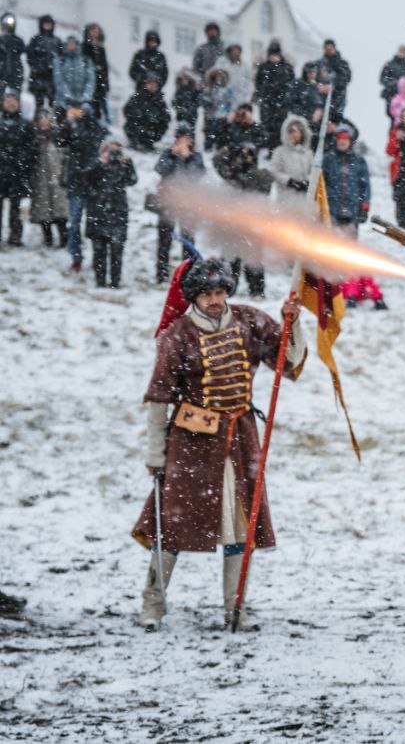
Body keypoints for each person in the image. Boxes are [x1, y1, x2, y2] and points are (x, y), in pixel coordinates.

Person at [133, 258, 306, 630]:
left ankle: (235, 608)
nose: (214, 300)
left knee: (239, 527)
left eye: (220, 292)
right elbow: (160, 398)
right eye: (207, 294)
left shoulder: (249, 321)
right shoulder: (177, 335)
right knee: (172, 524)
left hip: (240, 439)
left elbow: (288, 359)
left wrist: (293, 320)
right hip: (191, 442)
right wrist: (155, 453)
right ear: (194, 296)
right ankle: (152, 604)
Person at [322, 127, 383, 309]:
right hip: (333, 212)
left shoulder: (358, 161)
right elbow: (322, 184)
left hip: (352, 213)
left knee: (350, 251)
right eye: (339, 139)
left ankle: (350, 287)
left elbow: (365, 186)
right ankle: (333, 287)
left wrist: (364, 207)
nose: (342, 142)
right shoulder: (328, 160)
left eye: (345, 139)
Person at [214, 142, 273, 298]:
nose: (244, 158)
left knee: (253, 259)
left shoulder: (259, 174)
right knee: (230, 259)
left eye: (248, 155)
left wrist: (248, 169)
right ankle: (228, 289)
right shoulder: (231, 173)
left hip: (252, 224)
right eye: (242, 155)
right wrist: (230, 149)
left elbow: (267, 182)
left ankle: (257, 291)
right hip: (231, 223)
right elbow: (217, 161)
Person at [76, 141, 136, 288]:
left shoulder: (124, 165)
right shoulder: (96, 165)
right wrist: (99, 163)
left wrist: (127, 163)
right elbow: (85, 178)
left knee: (117, 251)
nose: (114, 155)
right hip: (98, 212)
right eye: (110, 151)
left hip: (118, 213)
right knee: (99, 250)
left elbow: (133, 180)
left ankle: (115, 282)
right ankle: (100, 282)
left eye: (117, 151)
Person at [153, 126, 205, 283]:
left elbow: (196, 175)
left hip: (188, 203)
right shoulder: (168, 154)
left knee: (188, 240)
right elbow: (161, 169)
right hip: (168, 201)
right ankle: (161, 274)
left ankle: (188, 274)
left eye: (186, 139)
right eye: (180, 139)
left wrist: (186, 157)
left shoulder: (195, 157)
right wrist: (173, 156)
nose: (182, 142)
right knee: (164, 239)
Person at [58, 104, 106, 272]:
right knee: (75, 222)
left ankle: (98, 257)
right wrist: (68, 122)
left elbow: (94, 140)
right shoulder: (72, 127)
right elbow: (60, 140)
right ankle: (76, 257)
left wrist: (85, 121)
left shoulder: (96, 127)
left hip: (93, 181)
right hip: (76, 181)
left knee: (95, 223)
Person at [28, 108, 68, 248]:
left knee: (60, 212)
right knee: (43, 212)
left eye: (47, 118)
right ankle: (48, 239)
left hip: (58, 179)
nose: (44, 121)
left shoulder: (59, 137)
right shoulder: (34, 138)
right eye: (41, 119)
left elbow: (65, 158)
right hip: (40, 180)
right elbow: (29, 159)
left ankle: (64, 239)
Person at [0, 89, 34, 245]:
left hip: (17, 172)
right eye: (8, 101)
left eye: (14, 101)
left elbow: (30, 148)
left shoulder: (25, 124)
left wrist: (22, 162)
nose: (11, 104)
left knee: (15, 208)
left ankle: (15, 237)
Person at [254, 41, 295, 148]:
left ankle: (279, 148)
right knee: (267, 127)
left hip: (282, 104)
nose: (274, 58)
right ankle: (268, 148)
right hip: (267, 103)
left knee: (281, 128)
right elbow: (258, 83)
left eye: (276, 55)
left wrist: (286, 98)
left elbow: (291, 85)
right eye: (272, 55)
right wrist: (262, 95)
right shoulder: (263, 68)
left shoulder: (287, 68)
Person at [267, 115, 313, 194]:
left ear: (302, 133)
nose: (295, 134)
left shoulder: (308, 153)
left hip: (303, 195)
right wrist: (289, 181)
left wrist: (307, 182)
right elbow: (274, 171)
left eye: (298, 131)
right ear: (287, 133)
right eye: (292, 131)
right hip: (285, 195)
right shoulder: (280, 151)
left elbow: (313, 172)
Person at [123, 75, 171, 151]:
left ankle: (148, 143)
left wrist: (157, 117)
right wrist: (138, 114)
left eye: (154, 85)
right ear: (145, 85)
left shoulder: (160, 100)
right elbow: (127, 110)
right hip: (138, 125)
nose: (152, 86)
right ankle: (136, 142)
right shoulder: (137, 97)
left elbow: (166, 116)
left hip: (153, 128)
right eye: (150, 84)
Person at [52, 35, 96, 116]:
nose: (71, 46)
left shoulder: (85, 60)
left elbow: (91, 80)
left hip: (82, 104)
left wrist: (85, 97)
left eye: (73, 44)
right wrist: (68, 96)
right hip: (63, 103)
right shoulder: (60, 60)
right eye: (69, 44)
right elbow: (58, 80)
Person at [25, 15, 59, 111]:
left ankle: (52, 123)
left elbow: (61, 57)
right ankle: (37, 123)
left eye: (49, 23)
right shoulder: (35, 39)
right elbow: (30, 56)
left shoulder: (57, 41)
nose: (47, 25)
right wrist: (37, 66)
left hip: (52, 77)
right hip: (38, 76)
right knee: (37, 104)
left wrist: (54, 68)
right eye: (45, 23)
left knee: (53, 105)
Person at [201, 69, 235, 151]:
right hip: (211, 116)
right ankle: (208, 148)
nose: (218, 79)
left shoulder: (227, 89)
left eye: (220, 77)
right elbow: (204, 99)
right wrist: (207, 103)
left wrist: (227, 108)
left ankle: (220, 148)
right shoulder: (209, 88)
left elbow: (230, 101)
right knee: (209, 133)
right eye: (217, 77)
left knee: (221, 134)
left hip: (222, 116)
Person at [81, 23, 109, 121]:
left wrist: (106, 84)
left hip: (100, 83)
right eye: (92, 31)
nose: (94, 33)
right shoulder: (84, 47)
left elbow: (105, 67)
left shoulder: (101, 48)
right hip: (88, 81)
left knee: (99, 110)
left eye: (97, 31)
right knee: (86, 108)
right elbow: (83, 64)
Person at [320, 39, 352, 113]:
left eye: (330, 48)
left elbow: (346, 79)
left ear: (334, 48)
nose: (328, 51)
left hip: (337, 100)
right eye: (326, 49)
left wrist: (333, 85)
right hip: (321, 101)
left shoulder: (342, 64)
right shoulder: (320, 64)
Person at [379, 45, 405, 118]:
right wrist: (394, 84)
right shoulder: (389, 65)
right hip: (391, 95)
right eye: (402, 51)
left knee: (403, 118)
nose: (403, 53)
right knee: (394, 117)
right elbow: (382, 79)